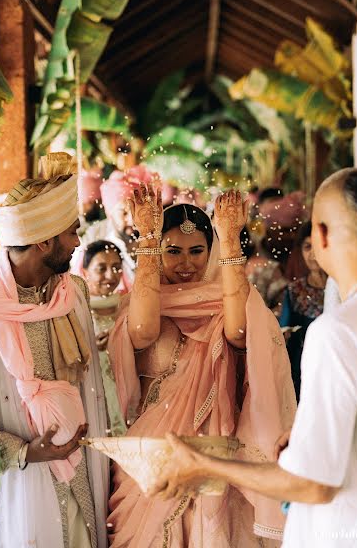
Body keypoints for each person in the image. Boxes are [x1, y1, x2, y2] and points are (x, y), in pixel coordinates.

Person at [150, 168, 357, 548]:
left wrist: (203, 464)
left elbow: (313, 485)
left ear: (319, 235)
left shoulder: (336, 333)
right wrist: (306, 438)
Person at [107, 183, 296, 547]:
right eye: (173, 251)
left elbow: (239, 332)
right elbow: (144, 331)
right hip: (153, 451)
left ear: (210, 253)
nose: (186, 262)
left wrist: (229, 239)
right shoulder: (141, 304)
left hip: (215, 450)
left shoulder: (225, 302)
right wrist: (147, 235)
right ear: (157, 251)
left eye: (197, 251)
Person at [0, 153, 108, 548]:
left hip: (81, 480)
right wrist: (25, 451)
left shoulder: (73, 293)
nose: (78, 241)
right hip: (14, 489)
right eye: (71, 232)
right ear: (44, 240)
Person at [82, 240, 126, 436]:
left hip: (127, 390)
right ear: (85, 272)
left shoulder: (128, 306)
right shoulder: (77, 311)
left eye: (116, 267)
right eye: (101, 268)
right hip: (93, 396)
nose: (110, 275)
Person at [279, 221, 326, 400]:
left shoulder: (341, 285)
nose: (312, 254)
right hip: (304, 366)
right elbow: (283, 330)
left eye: (317, 246)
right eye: (307, 247)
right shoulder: (294, 290)